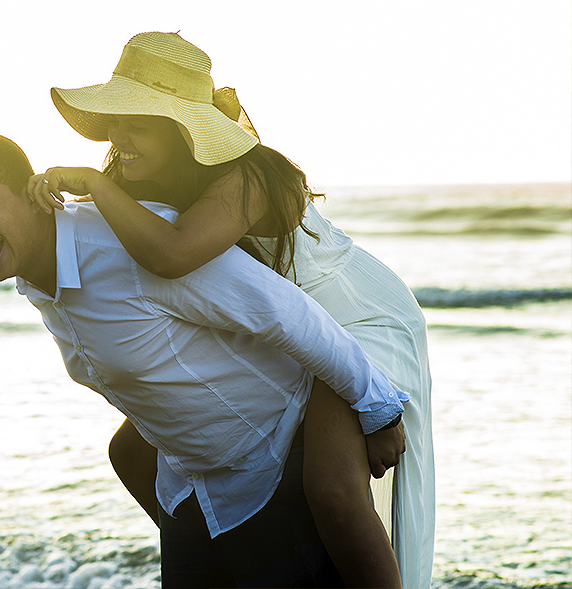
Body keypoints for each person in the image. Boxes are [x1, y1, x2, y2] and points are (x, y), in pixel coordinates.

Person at [31, 31, 435, 589]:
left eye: (138, 124)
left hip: (354, 320)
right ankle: (231, 553)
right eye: (115, 123)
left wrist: (97, 186)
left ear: (182, 131)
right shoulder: (141, 184)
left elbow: (172, 256)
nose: (119, 139)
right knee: (129, 451)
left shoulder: (246, 176)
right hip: (285, 325)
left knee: (331, 485)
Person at [0, 133, 410, 589]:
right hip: (190, 490)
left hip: (274, 464)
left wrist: (377, 407)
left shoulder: (124, 247)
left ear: (32, 195)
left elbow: (284, 313)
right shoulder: (36, 275)